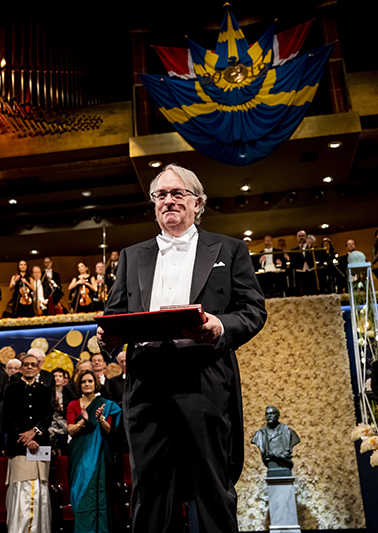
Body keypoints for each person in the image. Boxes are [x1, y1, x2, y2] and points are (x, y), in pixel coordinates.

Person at [97, 163, 266, 533]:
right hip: (146, 382)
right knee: (150, 490)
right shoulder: (130, 255)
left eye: (178, 194)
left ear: (198, 203)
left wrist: (221, 325)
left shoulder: (231, 249)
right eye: (161, 195)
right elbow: (114, 315)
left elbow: (253, 311)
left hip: (203, 378)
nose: (168, 201)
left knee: (211, 486)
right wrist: (106, 339)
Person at [3, 353, 53, 533]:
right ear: (21, 368)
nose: (30, 367)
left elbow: (48, 416)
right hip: (19, 447)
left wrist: (35, 433)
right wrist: (25, 439)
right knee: (22, 490)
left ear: (39, 368)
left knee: (40, 490)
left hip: (41, 446)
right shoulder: (12, 389)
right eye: (26, 364)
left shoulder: (45, 389)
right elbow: (7, 418)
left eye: (34, 364)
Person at [66, 370, 122, 533]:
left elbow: (109, 430)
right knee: (81, 490)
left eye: (90, 381)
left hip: (99, 454)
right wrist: (83, 421)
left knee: (99, 491)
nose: (87, 384)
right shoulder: (73, 405)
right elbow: (70, 430)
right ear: (79, 385)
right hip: (80, 455)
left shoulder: (105, 404)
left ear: (95, 384)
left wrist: (101, 420)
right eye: (84, 382)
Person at [250, 406, 300, 472]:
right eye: (267, 414)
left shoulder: (288, 432)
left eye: (272, 413)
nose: (269, 416)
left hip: (285, 466)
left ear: (278, 416)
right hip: (271, 466)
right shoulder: (259, 434)